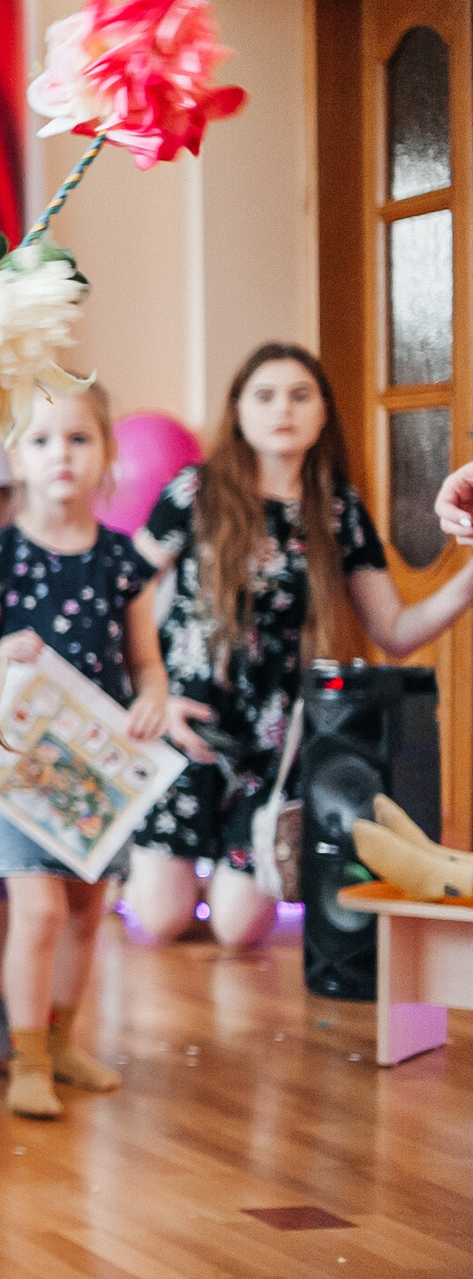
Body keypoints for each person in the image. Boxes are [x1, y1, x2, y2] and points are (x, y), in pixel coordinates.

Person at [127, 343, 473, 948]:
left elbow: (396, 632)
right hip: (187, 727)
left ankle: (223, 871)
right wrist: (152, 694)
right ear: (238, 411)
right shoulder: (195, 490)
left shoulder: (339, 510)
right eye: (264, 396)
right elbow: (123, 591)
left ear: (323, 413)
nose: (282, 409)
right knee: (160, 920)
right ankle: (140, 872)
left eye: (299, 395)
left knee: (239, 930)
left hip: (276, 744)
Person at [0, 386, 165, 1120]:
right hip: (22, 766)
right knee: (40, 912)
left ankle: (63, 1040)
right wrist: (1, 655)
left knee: (84, 913)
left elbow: (146, 662)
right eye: (42, 440)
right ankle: (28, 1058)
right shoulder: (4, 553)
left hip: (99, 765)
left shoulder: (119, 560)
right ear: (18, 455)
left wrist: (153, 698)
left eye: (80, 439)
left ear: (107, 453)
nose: (62, 456)